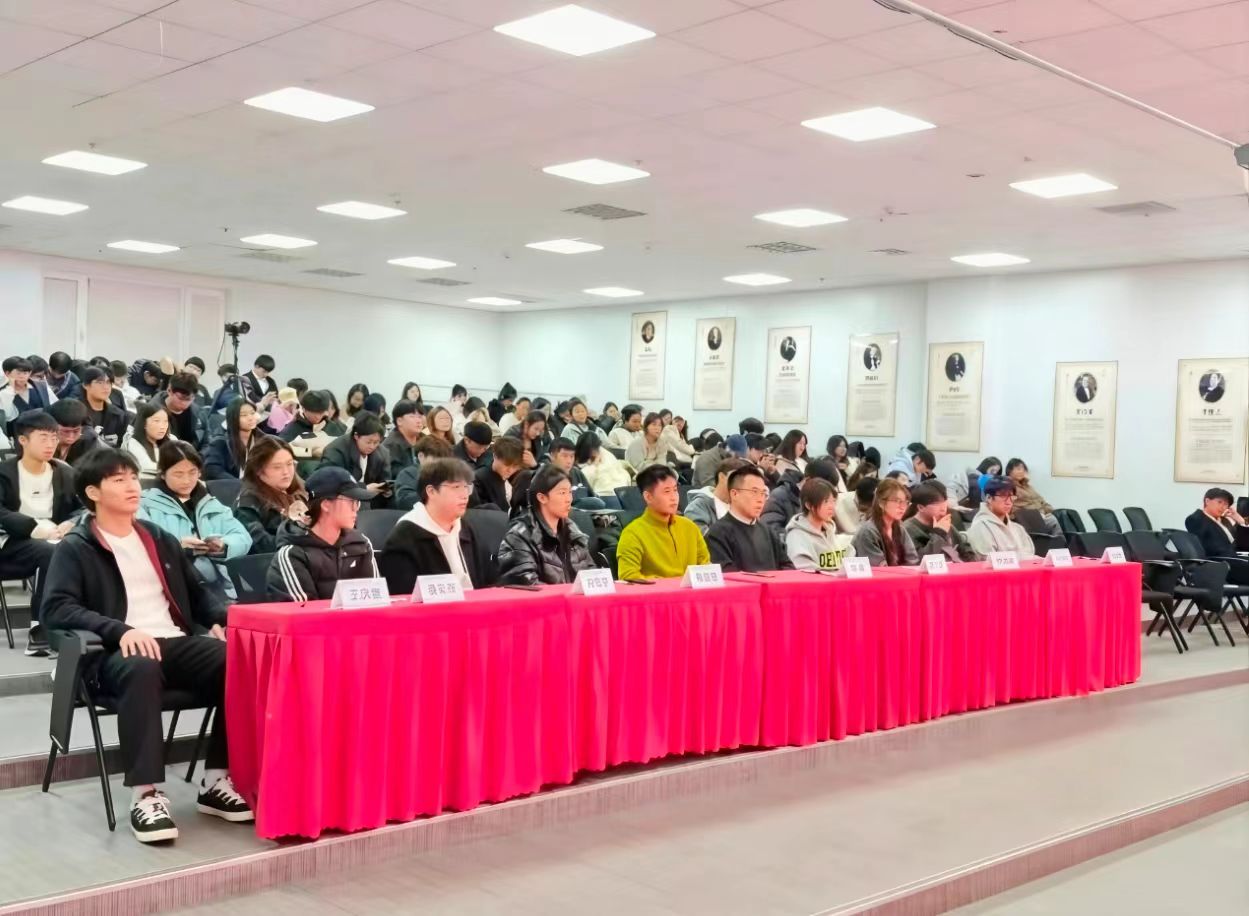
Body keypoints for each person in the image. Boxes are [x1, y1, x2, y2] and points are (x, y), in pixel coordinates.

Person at [41, 447, 253, 843]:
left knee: (238, 659)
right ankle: (146, 794)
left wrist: (223, 620)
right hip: (113, 653)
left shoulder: (157, 538)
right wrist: (119, 630)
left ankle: (215, 779)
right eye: (119, 479)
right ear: (93, 492)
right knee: (141, 665)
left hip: (172, 642)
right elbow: (57, 607)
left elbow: (198, 593)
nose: (132, 486)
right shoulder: (78, 546)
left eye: (134, 477)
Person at [0, 410, 78, 655]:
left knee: (75, 548)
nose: (50, 444)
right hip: (9, 544)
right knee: (51, 551)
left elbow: (85, 506)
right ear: (23, 440)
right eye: (43, 438)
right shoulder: (4, 472)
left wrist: (71, 523)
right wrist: (33, 527)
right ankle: (40, 627)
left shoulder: (64, 472)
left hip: (56, 539)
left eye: (54, 438)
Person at [138, 441, 251, 598]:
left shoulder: (210, 503)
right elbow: (143, 544)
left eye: (192, 472)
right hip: (173, 586)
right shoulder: (145, 504)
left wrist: (222, 545)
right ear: (162, 474)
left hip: (220, 587)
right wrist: (178, 546)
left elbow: (243, 537)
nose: (186, 480)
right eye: (178, 474)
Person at [266, 467, 380, 601]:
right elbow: (303, 610)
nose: (355, 509)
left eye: (357, 503)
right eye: (351, 502)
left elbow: (374, 601)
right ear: (326, 505)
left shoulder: (361, 545)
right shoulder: (292, 555)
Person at [381, 457, 491, 593]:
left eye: (467, 487)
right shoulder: (404, 536)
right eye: (456, 487)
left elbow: (489, 581)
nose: (465, 495)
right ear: (431, 491)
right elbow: (402, 595)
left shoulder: (467, 529)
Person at [496, 464, 596, 585]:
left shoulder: (572, 531)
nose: (569, 499)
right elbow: (526, 584)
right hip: (547, 597)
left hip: (574, 597)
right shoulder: (518, 536)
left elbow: (592, 575)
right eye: (562, 493)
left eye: (570, 492)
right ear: (542, 498)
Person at [616, 465, 709, 580]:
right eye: (667, 491)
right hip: (657, 591)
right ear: (648, 497)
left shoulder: (690, 527)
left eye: (675, 490)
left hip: (693, 591)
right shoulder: (632, 534)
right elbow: (628, 577)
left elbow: (706, 566)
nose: (674, 497)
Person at [705, 466, 792, 572]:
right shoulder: (717, 534)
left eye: (763, 494)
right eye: (754, 492)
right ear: (734, 494)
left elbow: (787, 567)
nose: (760, 499)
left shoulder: (768, 531)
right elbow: (727, 575)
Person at [236, 436, 308, 555]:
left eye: (289, 464)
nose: (286, 472)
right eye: (277, 467)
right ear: (258, 470)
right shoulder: (248, 502)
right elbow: (260, 545)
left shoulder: (302, 490)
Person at [318, 413, 391, 505]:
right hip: (340, 500)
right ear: (356, 436)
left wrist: (385, 488)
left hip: (370, 501)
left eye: (376, 442)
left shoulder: (382, 453)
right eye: (368, 442)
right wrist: (364, 488)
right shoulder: (336, 450)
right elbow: (330, 481)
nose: (372, 446)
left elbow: (385, 479)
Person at [785, 477, 855, 572]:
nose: (831, 507)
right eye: (826, 501)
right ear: (808, 505)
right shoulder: (796, 537)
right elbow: (805, 572)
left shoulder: (830, 531)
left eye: (833, 501)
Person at [759, 458, 841, 538]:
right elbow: (770, 532)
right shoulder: (780, 496)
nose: (826, 494)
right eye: (823, 490)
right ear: (808, 480)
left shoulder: (823, 501)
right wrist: (803, 537)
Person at [1185, 488, 1249, 584]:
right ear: (1207, 501)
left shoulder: (1224, 521)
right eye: (1219, 502)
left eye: (1226, 504)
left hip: (1234, 560)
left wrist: (1240, 520)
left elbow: (1240, 542)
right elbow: (1210, 548)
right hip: (1220, 564)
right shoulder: (1196, 518)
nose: (1223, 507)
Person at [850, 478, 920, 567]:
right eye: (897, 501)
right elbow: (879, 568)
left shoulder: (899, 528)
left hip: (900, 574)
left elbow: (912, 559)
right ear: (881, 503)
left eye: (905, 502)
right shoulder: (868, 531)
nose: (902, 507)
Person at [903, 482, 976, 562]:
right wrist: (940, 533)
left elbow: (965, 550)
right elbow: (920, 561)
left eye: (945, 502)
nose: (943, 509)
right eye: (937, 504)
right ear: (921, 507)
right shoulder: (907, 529)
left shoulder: (945, 524)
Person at [967, 476, 1036, 559]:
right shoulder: (980, 527)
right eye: (1003, 496)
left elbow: (1030, 555)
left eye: (1011, 497)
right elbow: (988, 560)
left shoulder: (1018, 528)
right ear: (989, 498)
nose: (1009, 502)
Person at [684, 457, 749, 534]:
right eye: (736, 479)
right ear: (721, 477)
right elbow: (702, 537)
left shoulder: (741, 506)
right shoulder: (698, 506)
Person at [278, 390, 336, 472]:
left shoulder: (333, 426)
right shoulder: (292, 429)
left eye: (321, 412)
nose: (318, 416)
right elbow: (281, 449)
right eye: (314, 413)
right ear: (304, 409)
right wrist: (310, 452)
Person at [392, 435, 454, 511]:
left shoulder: (449, 475)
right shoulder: (408, 474)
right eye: (435, 460)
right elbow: (405, 501)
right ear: (421, 456)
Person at [204, 398, 259, 481]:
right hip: (235, 486)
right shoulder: (220, 442)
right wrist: (237, 483)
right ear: (233, 418)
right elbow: (212, 469)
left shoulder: (265, 440)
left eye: (252, 413)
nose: (250, 418)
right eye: (244, 415)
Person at [1004, 458, 1062, 536]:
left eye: (1024, 469)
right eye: (1018, 469)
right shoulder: (1008, 487)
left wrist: (1049, 510)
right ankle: (1059, 542)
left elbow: (1041, 500)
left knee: (1060, 515)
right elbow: (1010, 508)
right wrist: (1036, 515)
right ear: (1009, 471)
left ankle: (1065, 541)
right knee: (1053, 520)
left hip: (1040, 515)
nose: (1021, 471)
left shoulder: (1028, 486)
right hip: (1025, 519)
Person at [2, 356, 57, 433]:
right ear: (7, 373)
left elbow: (52, 408)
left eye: (25, 373)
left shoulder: (41, 386)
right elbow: (8, 418)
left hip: (44, 431)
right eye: (18, 373)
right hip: (18, 435)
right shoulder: (4, 394)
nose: (22, 377)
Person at [471, 435, 525, 512]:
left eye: (515, 466)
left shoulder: (519, 476)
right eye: (506, 465)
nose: (510, 470)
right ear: (495, 456)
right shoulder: (478, 480)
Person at [153, 373, 206, 449]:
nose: (184, 403)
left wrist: (199, 455)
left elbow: (206, 442)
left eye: (189, 399)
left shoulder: (198, 412)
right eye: (180, 398)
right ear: (169, 390)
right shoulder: (152, 413)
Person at [575, 434, 630, 509]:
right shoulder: (606, 455)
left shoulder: (604, 461)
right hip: (620, 496)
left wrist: (594, 465)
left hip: (605, 495)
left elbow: (585, 481)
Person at [79, 366, 129, 447]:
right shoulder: (74, 413)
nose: (106, 387)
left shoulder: (119, 416)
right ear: (85, 385)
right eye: (100, 382)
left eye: (108, 382)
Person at [124, 403, 175, 480]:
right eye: (156, 421)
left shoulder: (172, 439)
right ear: (144, 423)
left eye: (165, 421)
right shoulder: (133, 443)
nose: (162, 426)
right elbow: (147, 468)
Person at [381, 399, 426, 480]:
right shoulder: (390, 446)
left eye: (420, 417)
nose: (419, 421)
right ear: (399, 421)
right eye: (412, 416)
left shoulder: (426, 440)